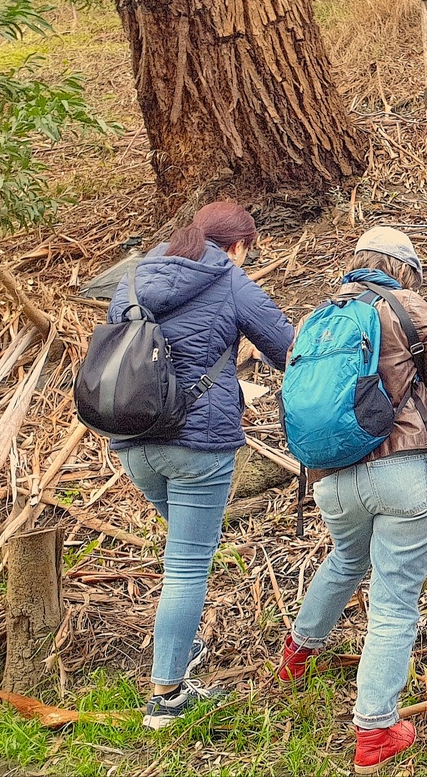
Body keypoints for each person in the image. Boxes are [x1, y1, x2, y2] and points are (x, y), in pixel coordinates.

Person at [274, 227, 427, 773]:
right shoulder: (406, 306)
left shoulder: (318, 316)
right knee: (394, 597)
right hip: (407, 473)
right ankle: (376, 729)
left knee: (346, 559)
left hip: (332, 476)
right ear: (403, 267)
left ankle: (298, 653)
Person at [107, 201, 295, 728]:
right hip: (198, 444)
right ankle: (166, 696)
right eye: (247, 253)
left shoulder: (137, 277)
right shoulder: (229, 279)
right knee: (188, 565)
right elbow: (287, 348)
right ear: (236, 246)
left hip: (130, 439)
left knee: (183, 553)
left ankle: (177, 657)